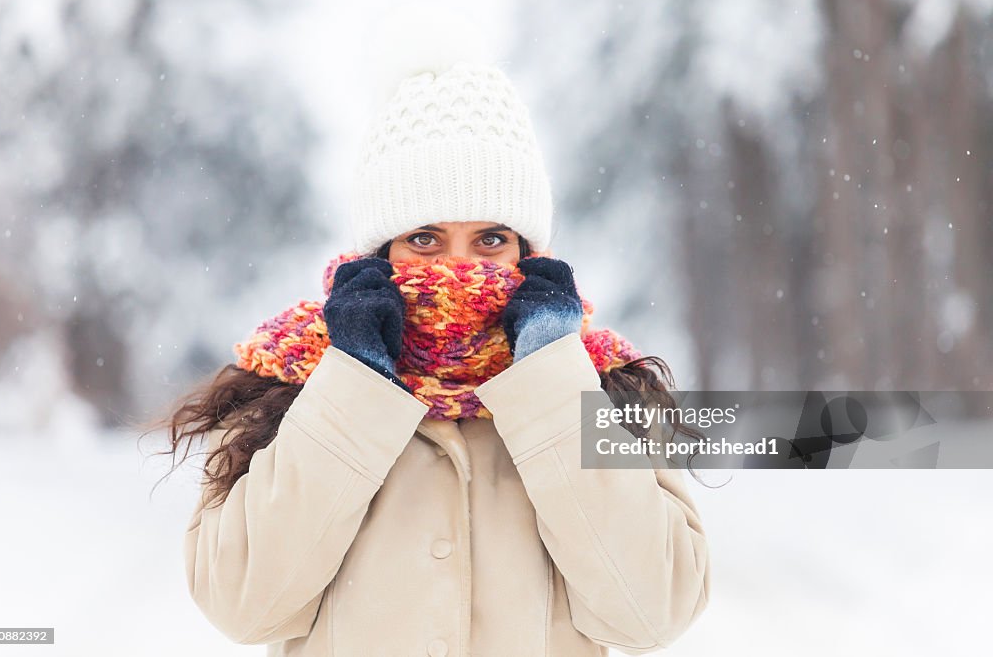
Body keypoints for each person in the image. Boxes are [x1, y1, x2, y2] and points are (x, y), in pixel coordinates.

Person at [156, 60, 710, 656]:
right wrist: (356, 380)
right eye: (424, 237)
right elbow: (243, 605)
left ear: (528, 252)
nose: (458, 264)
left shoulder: (601, 387)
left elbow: (652, 614)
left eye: (491, 239)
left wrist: (551, 383)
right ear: (377, 252)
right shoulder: (290, 382)